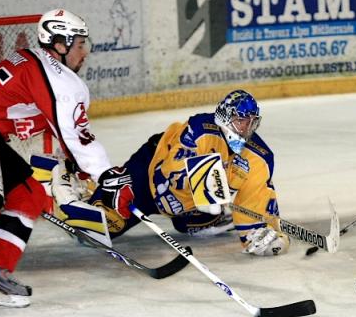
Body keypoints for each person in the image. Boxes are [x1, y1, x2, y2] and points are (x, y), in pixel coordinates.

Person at [0, 8, 134, 307]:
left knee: (30, 197)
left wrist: (76, 164)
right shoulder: (60, 80)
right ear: (60, 44)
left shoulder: (31, 60)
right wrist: (107, 174)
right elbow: (77, 136)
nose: (85, 53)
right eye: (79, 44)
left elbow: (48, 125)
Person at [55, 89, 290, 257]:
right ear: (225, 118)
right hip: (147, 176)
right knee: (92, 232)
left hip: (187, 205)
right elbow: (168, 172)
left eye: (252, 122)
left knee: (212, 209)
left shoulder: (259, 157)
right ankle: (69, 182)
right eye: (241, 121)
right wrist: (205, 187)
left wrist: (258, 232)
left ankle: (198, 220)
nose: (246, 129)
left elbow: (257, 196)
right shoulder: (200, 129)